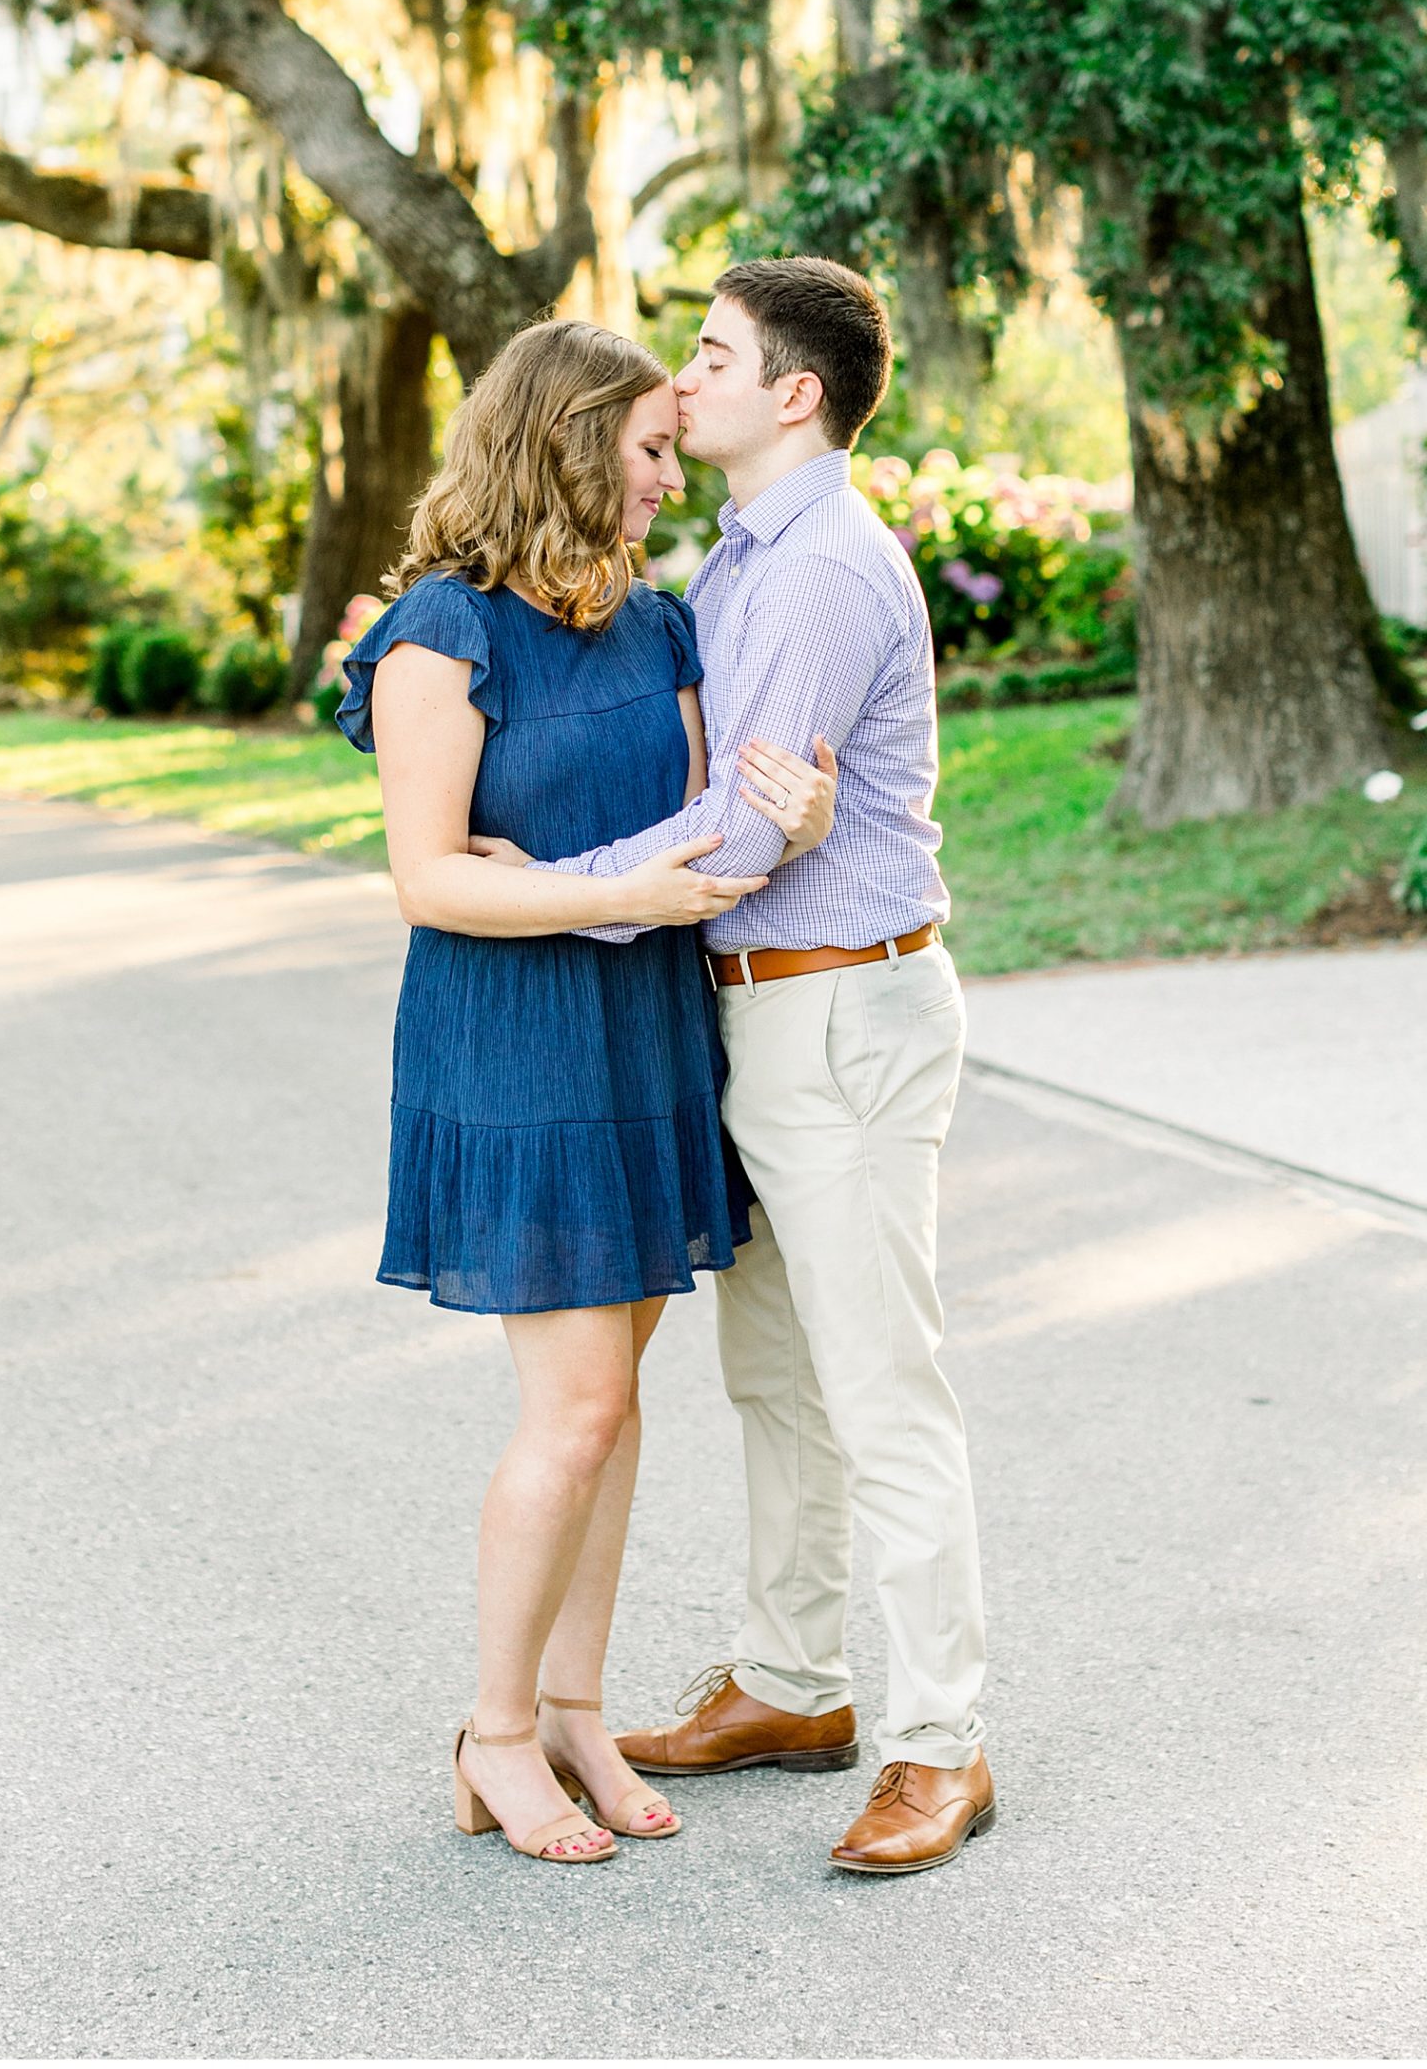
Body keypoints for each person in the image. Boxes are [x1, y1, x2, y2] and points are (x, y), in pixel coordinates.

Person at [508, 259, 993, 1876]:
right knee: (777, 1381)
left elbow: (730, 834)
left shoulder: (813, 576)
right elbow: (727, 791)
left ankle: (940, 1743)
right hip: (753, 1013)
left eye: (712, 354)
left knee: (878, 1390)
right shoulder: (741, 555)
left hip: (836, 1010)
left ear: (794, 393)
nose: (685, 377)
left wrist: (543, 894)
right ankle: (793, 1685)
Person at [334, 319, 837, 1869]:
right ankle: (491, 1733)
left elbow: (694, 824)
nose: (665, 478)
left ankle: (572, 1713)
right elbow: (428, 884)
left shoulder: (656, 625)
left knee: (614, 1414)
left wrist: (788, 820)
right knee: (578, 1408)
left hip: (643, 1030)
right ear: (563, 444)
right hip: (517, 1047)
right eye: (646, 449)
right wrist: (570, 891)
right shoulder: (440, 631)